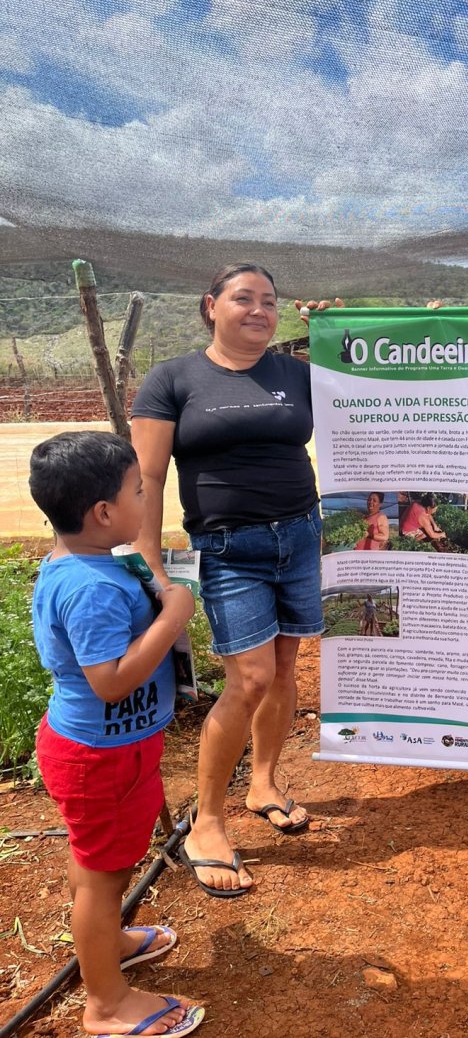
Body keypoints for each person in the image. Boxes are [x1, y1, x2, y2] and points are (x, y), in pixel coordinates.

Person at [131, 264, 322, 898]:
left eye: (270, 301)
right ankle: (205, 824)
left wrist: (378, 329)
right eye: (244, 299)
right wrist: (150, 558)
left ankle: (263, 780)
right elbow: (149, 478)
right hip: (226, 548)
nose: (260, 310)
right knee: (250, 678)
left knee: (286, 666)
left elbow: (381, 385)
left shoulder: (295, 373)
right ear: (211, 305)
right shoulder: (174, 379)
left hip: (299, 537)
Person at [29, 432, 203, 1038]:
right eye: (138, 491)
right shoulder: (93, 587)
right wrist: (176, 616)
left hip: (105, 751)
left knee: (102, 867)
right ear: (103, 512)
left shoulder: (84, 565)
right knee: (102, 882)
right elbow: (110, 681)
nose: (145, 499)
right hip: (99, 758)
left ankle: (111, 942)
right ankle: (105, 1003)